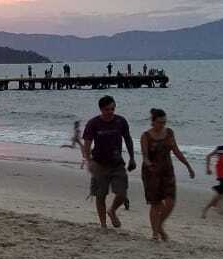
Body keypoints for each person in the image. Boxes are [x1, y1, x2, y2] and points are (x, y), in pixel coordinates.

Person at [139, 108, 195, 241]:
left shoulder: (169, 133)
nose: (162, 125)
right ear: (153, 122)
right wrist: (148, 163)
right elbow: (145, 156)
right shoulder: (146, 136)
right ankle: (155, 233)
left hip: (167, 171)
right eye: (159, 122)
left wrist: (188, 166)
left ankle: (159, 226)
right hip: (151, 172)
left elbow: (176, 150)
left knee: (170, 202)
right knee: (156, 203)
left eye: (164, 122)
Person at [82, 95, 136, 229]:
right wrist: (89, 161)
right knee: (101, 195)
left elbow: (128, 139)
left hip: (117, 163)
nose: (110, 112)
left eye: (112, 109)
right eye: (107, 109)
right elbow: (87, 144)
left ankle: (112, 210)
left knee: (122, 193)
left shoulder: (121, 121)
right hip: (99, 164)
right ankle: (103, 225)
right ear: (101, 109)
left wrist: (132, 158)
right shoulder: (93, 123)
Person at [202, 130, 223, 218]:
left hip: (220, 171)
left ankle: (221, 209)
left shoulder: (221, 148)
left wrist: (208, 168)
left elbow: (208, 156)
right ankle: (207, 208)